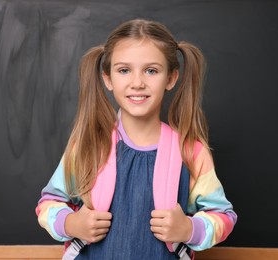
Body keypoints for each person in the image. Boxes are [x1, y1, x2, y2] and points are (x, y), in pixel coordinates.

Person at [36, 19, 237, 259]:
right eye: (124, 70)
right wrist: (71, 224)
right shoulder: (89, 146)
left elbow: (224, 216)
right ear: (108, 78)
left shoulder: (190, 152)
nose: (137, 83)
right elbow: (48, 204)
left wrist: (188, 229)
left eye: (151, 70)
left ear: (171, 78)